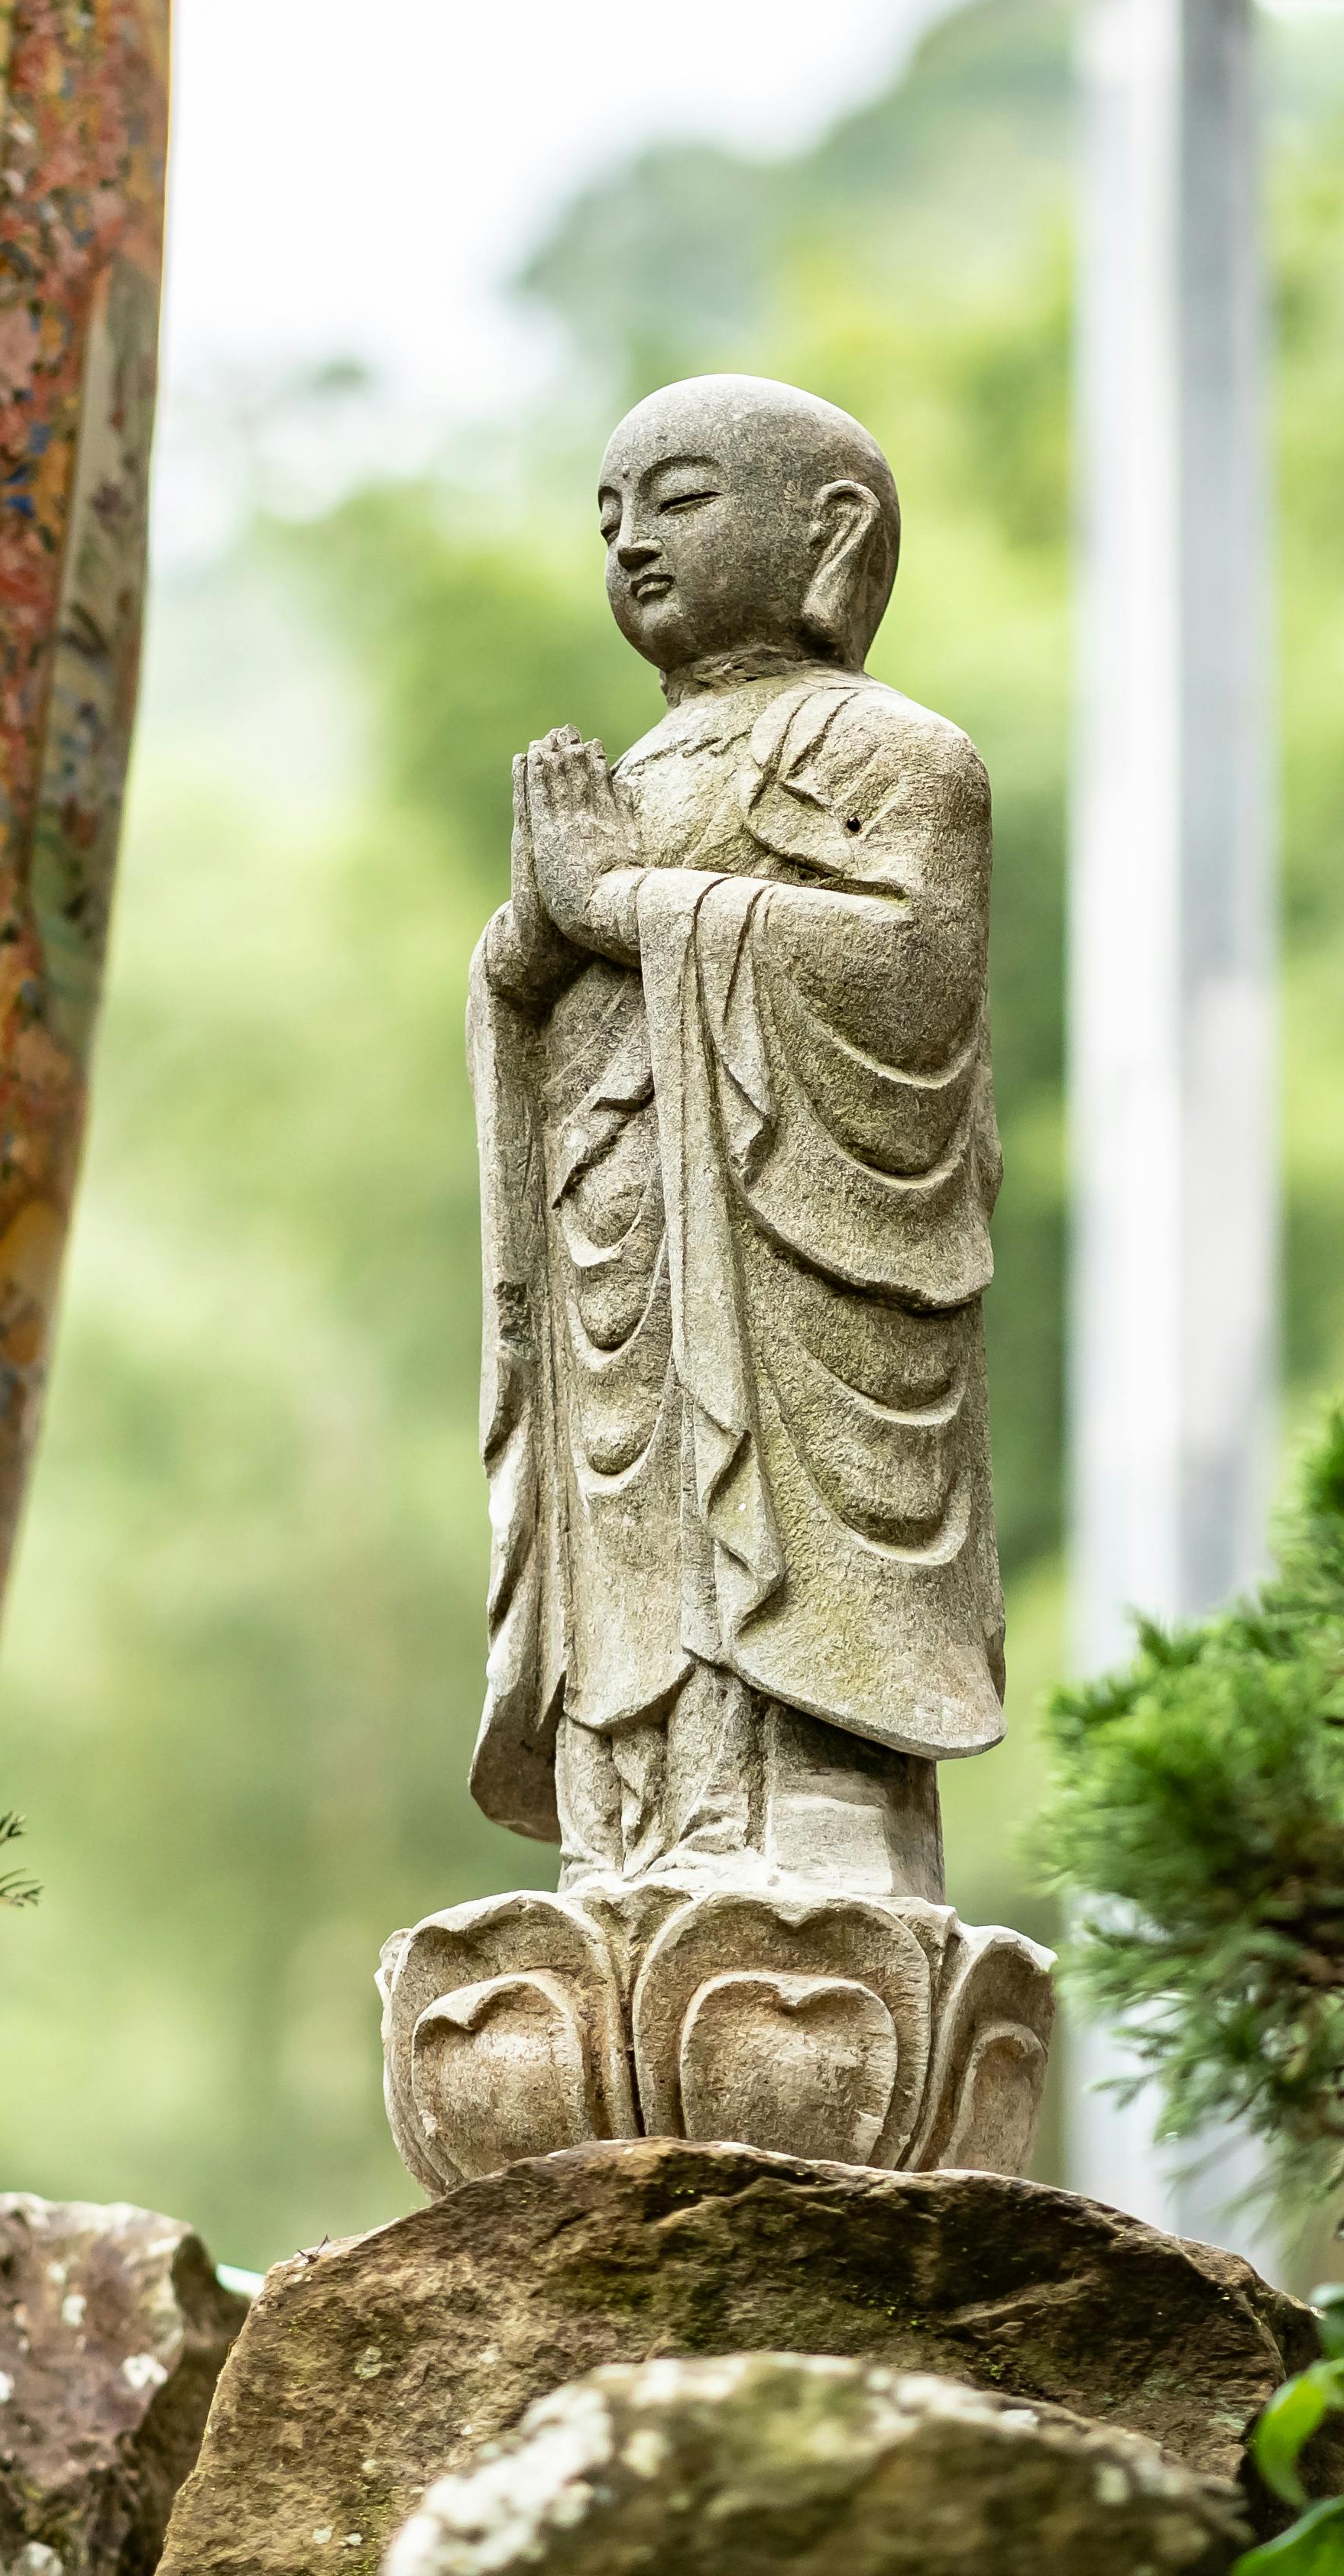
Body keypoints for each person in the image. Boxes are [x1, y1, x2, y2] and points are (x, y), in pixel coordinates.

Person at [469, 376, 1002, 1904]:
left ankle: (808, 1821)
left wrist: (622, 905)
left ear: (829, 528)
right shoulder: (627, 778)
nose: (634, 540)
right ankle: (627, 1815)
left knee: (757, 1507)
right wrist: (524, 946)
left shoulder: (895, 753)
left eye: (681, 499)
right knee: (629, 1521)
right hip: (618, 1255)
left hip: (780, 1262)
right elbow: (537, 988)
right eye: (610, 516)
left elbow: (909, 968)